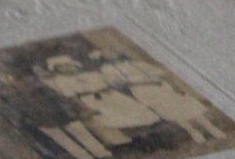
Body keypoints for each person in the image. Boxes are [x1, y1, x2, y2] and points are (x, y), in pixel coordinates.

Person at [0, 58, 108, 159]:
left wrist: (68, 106)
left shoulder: (24, 78)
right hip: (34, 115)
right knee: (61, 138)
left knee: (79, 131)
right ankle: (85, 158)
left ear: (1, 66)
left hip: (53, 109)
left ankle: (101, 153)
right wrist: (18, 118)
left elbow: (50, 92)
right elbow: (1, 105)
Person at [98, 52, 229, 144]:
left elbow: (161, 72)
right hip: (143, 93)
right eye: (108, 57)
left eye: (114, 57)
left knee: (186, 107)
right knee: (171, 112)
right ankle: (193, 132)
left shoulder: (138, 64)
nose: (113, 59)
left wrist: (148, 77)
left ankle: (212, 129)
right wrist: (125, 79)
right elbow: (114, 84)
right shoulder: (108, 70)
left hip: (159, 87)